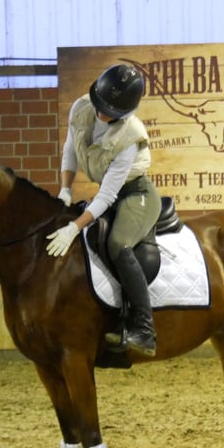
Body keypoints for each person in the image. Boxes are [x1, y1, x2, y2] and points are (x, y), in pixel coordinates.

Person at [45, 63, 161, 357]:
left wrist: (75, 227)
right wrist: (66, 188)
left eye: (111, 110)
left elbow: (108, 194)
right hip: (107, 194)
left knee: (118, 244)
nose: (102, 113)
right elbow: (71, 148)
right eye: (101, 104)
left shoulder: (130, 136)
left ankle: (145, 330)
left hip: (135, 194)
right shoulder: (82, 108)